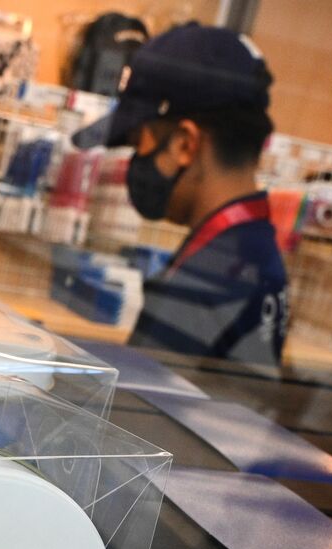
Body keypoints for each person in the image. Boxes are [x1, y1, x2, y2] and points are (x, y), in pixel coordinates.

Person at [74, 23, 287, 366]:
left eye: (139, 143)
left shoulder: (215, 275)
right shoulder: (249, 248)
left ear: (185, 144)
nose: (135, 162)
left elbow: (148, 394)